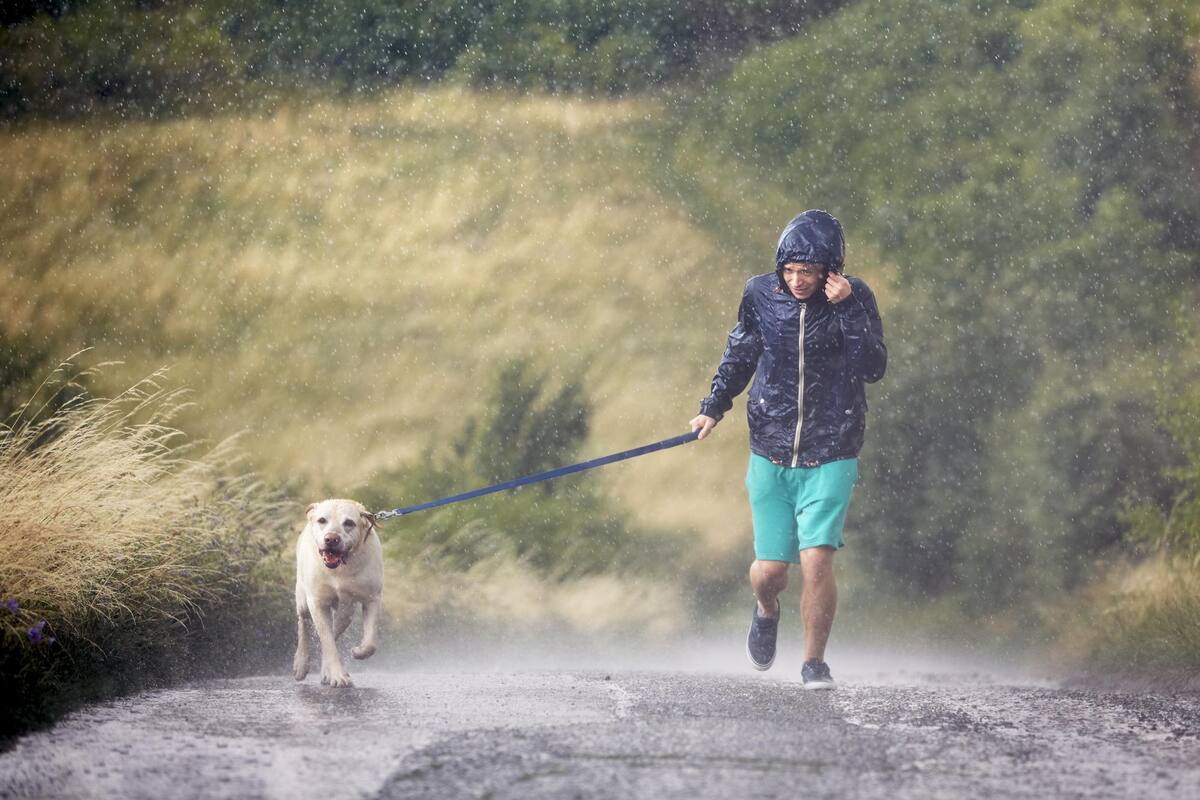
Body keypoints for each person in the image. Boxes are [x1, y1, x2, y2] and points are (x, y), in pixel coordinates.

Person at [689, 210, 886, 690]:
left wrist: (847, 310)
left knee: (817, 559)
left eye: (809, 272)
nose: (797, 281)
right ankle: (766, 608)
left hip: (832, 448)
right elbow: (741, 352)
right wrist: (713, 407)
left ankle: (814, 662)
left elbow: (873, 366)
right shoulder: (760, 293)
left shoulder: (854, 297)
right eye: (790, 271)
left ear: (830, 271)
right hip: (771, 447)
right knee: (771, 571)